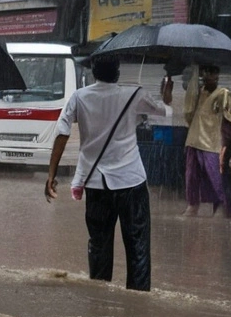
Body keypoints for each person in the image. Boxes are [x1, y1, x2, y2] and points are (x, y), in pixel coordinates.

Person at [45, 54, 169, 291]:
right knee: (138, 248)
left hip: (96, 184)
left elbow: (62, 132)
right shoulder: (134, 95)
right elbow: (165, 112)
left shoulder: (79, 97)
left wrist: (51, 174)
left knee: (99, 248)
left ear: (93, 70)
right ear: (118, 72)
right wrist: (166, 92)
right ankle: (138, 306)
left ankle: (99, 303)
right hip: (131, 182)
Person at [162, 64, 230, 216]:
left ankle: (220, 207)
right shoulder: (197, 92)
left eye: (212, 73)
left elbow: (228, 118)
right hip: (193, 139)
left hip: (212, 143)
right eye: (205, 72)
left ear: (217, 75)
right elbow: (188, 110)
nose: (208, 76)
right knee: (191, 176)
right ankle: (193, 205)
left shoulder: (223, 94)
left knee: (215, 176)